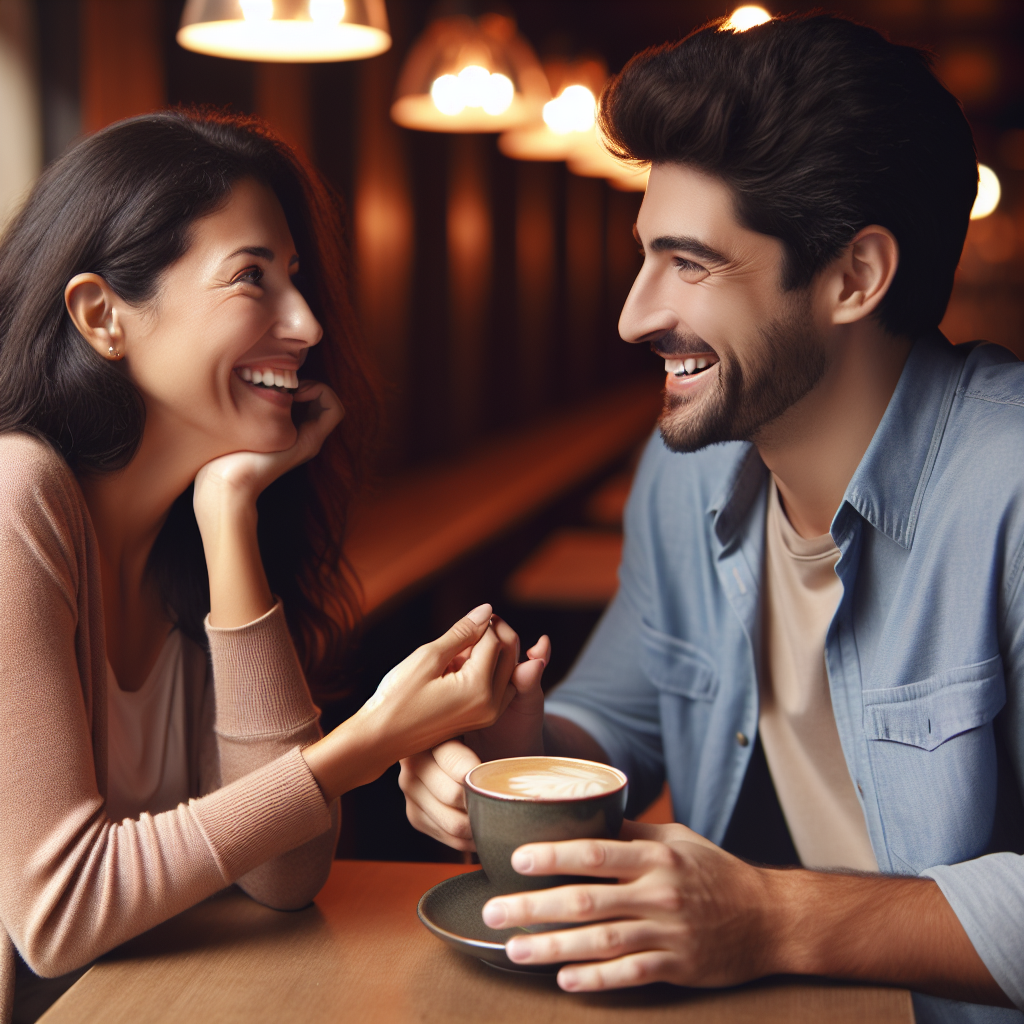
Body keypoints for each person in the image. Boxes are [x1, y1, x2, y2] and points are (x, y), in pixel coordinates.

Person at [399, 14, 1024, 1023]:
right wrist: (507, 750)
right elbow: (621, 717)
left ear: (852, 278)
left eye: (688, 263)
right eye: (646, 256)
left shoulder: (1009, 486)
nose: (633, 314)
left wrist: (771, 913)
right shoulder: (686, 473)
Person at [0, 110, 546, 1024]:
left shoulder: (189, 532)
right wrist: (364, 744)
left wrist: (227, 515)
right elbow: (58, 915)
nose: (307, 321)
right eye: (252, 276)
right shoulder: (20, 494)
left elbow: (281, 877)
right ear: (103, 317)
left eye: (294, 276)